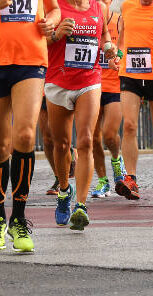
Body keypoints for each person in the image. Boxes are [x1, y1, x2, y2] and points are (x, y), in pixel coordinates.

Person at [45, 0, 115, 231]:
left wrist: (108, 47)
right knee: (62, 144)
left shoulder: (99, 7)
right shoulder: (54, 6)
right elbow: (38, 39)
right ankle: (65, 190)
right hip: (58, 82)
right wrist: (56, 35)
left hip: (89, 81)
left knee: (85, 140)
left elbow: (105, 34)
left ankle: (81, 206)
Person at [0, 0, 60, 252]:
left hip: (30, 59)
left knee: (24, 135)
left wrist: (51, 23)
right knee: (1, 143)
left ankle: (19, 218)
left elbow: (54, 9)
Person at [113, 0, 153, 201]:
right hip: (130, 74)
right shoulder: (126, 6)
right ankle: (131, 178)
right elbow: (122, 35)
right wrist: (119, 55)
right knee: (129, 125)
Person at [91, 1, 126, 198]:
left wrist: (117, 56)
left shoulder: (120, 17)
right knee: (93, 137)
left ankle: (116, 160)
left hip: (114, 84)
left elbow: (124, 44)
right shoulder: (87, 16)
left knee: (109, 134)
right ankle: (103, 181)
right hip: (92, 84)